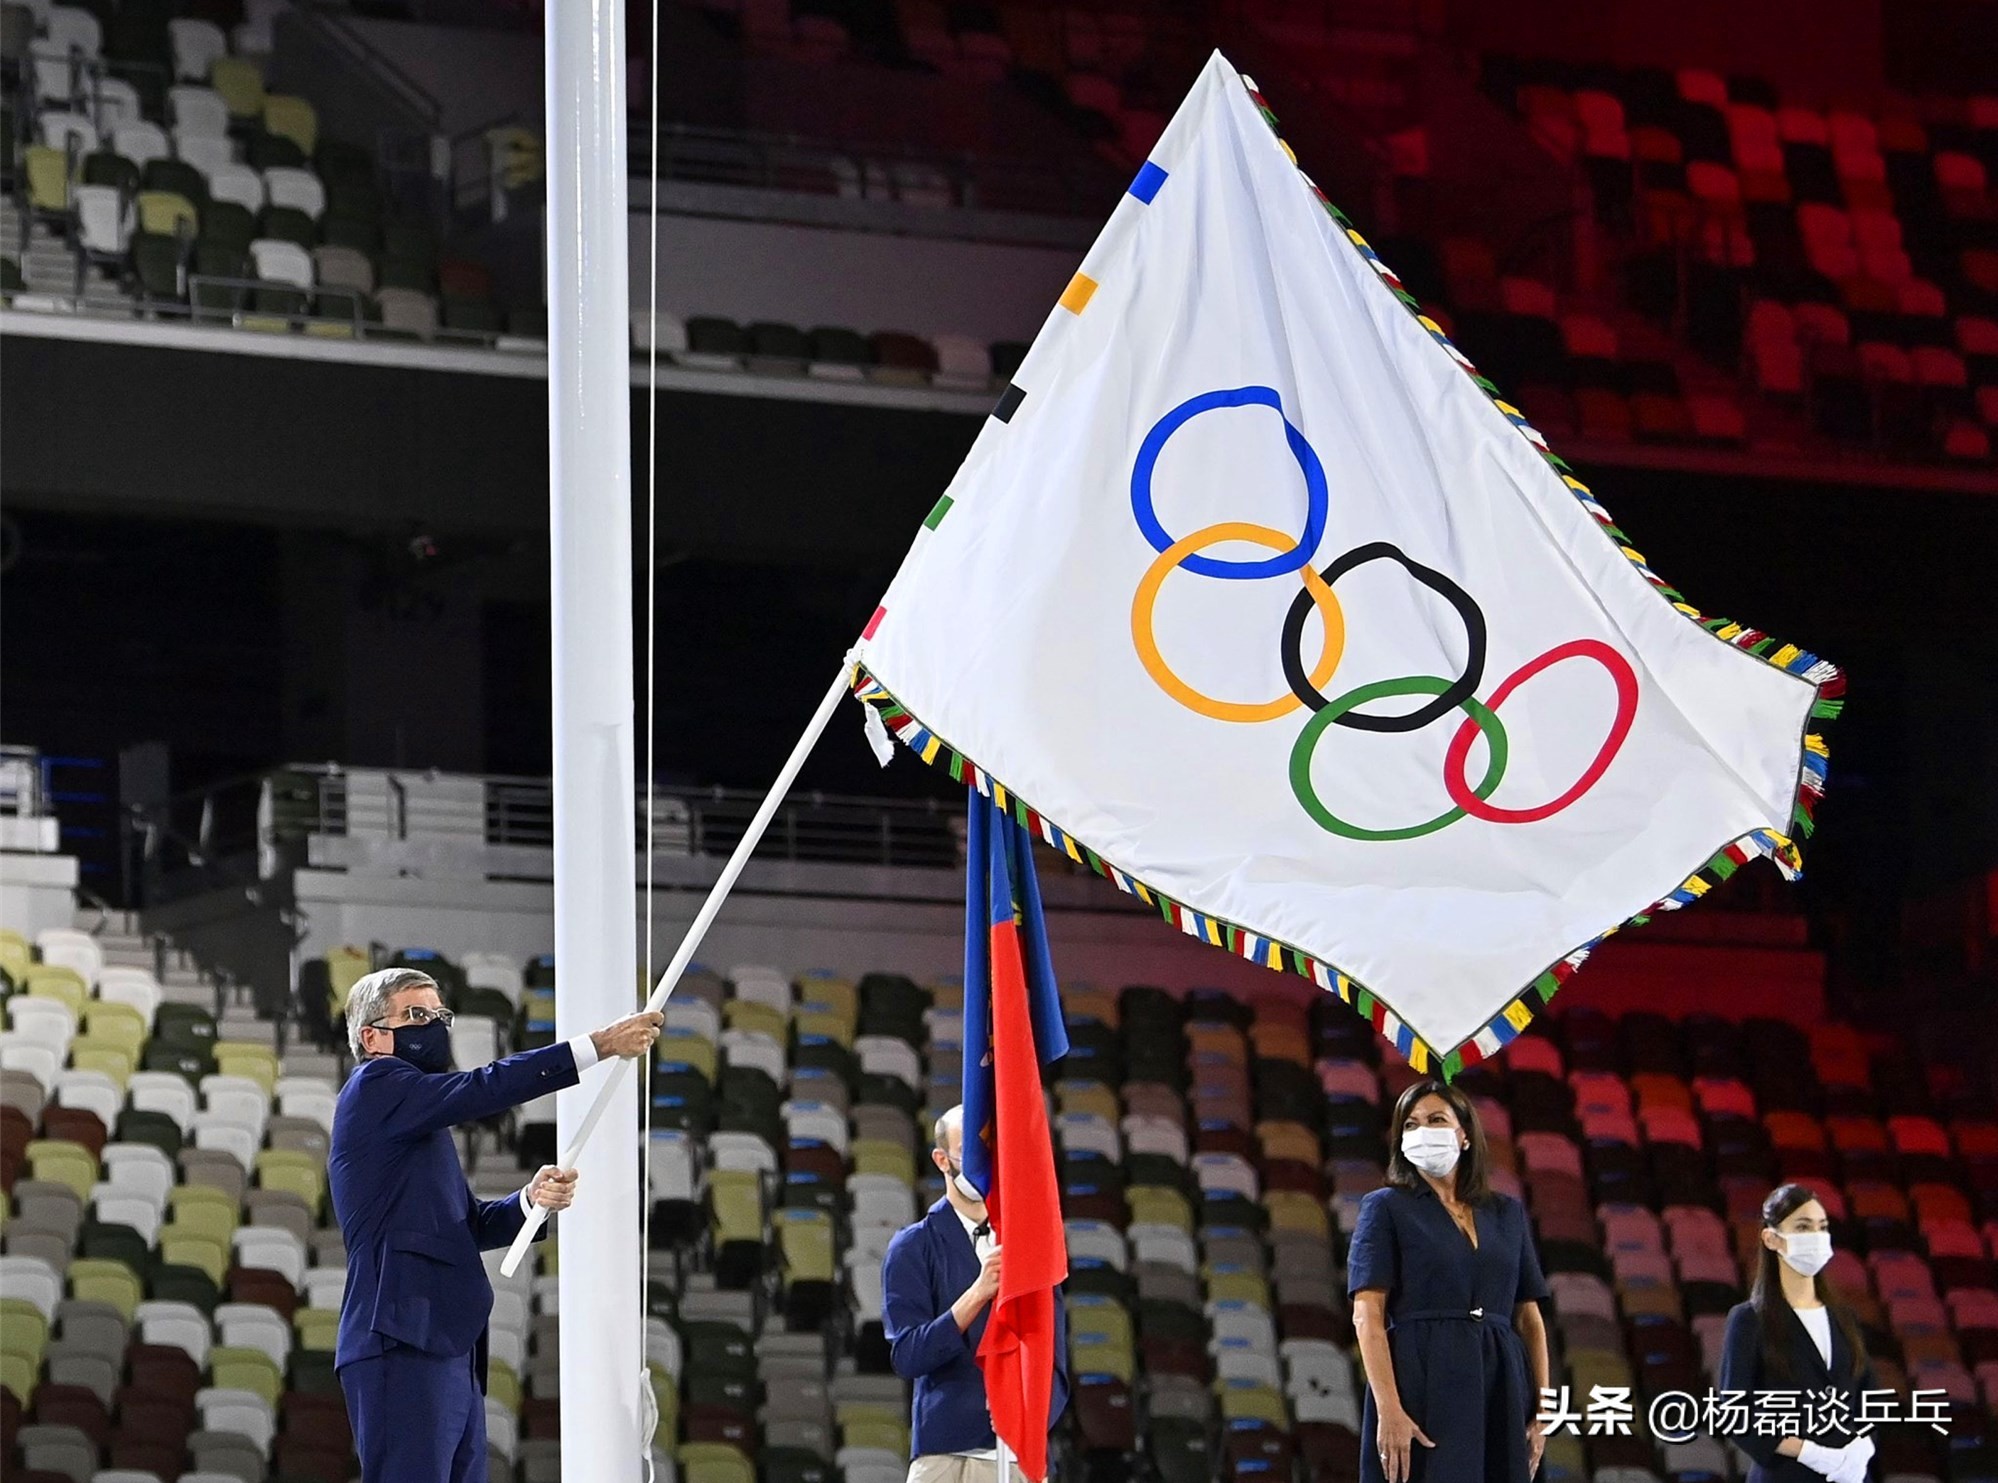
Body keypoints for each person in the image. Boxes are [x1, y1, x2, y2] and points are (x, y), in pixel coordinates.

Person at [328, 966, 662, 1483]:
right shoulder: (378, 1084)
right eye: (416, 1014)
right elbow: (482, 1086)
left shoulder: (416, 1123)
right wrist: (599, 1045)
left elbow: (468, 1223)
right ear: (372, 1036)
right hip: (401, 1334)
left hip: (444, 1340)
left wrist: (529, 1201)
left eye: (440, 1015)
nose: (434, 1025)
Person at [1348, 1078, 1552, 1483]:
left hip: (1501, 1381)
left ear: (1464, 1136)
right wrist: (1389, 1410)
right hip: (1423, 1376)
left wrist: (1543, 1411)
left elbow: (1529, 1317)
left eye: (1436, 1119)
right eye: (1410, 1124)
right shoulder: (1386, 1207)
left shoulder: (1506, 1213)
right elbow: (1367, 1314)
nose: (1422, 1131)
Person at [882, 1105, 1071, 1483]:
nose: (982, 1161)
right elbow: (908, 1355)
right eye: (968, 1149)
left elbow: (1054, 1356)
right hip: (946, 1452)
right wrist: (977, 1293)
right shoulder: (913, 1245)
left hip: (1018, 1453)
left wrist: (1026, 1421)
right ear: (941, 1159)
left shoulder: (1029, 1246)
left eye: (989, 1148)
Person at [1716, 1184, 1878, 1483]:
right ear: (1772, 1238)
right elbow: (1735, 1414)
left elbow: (1868, 1395)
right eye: (1803, 1227)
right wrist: (1809, 1452)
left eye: (1822, 1227)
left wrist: (1861, 1449)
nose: (1816, 1237)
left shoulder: (1845, 1319)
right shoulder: (1750, 1320)